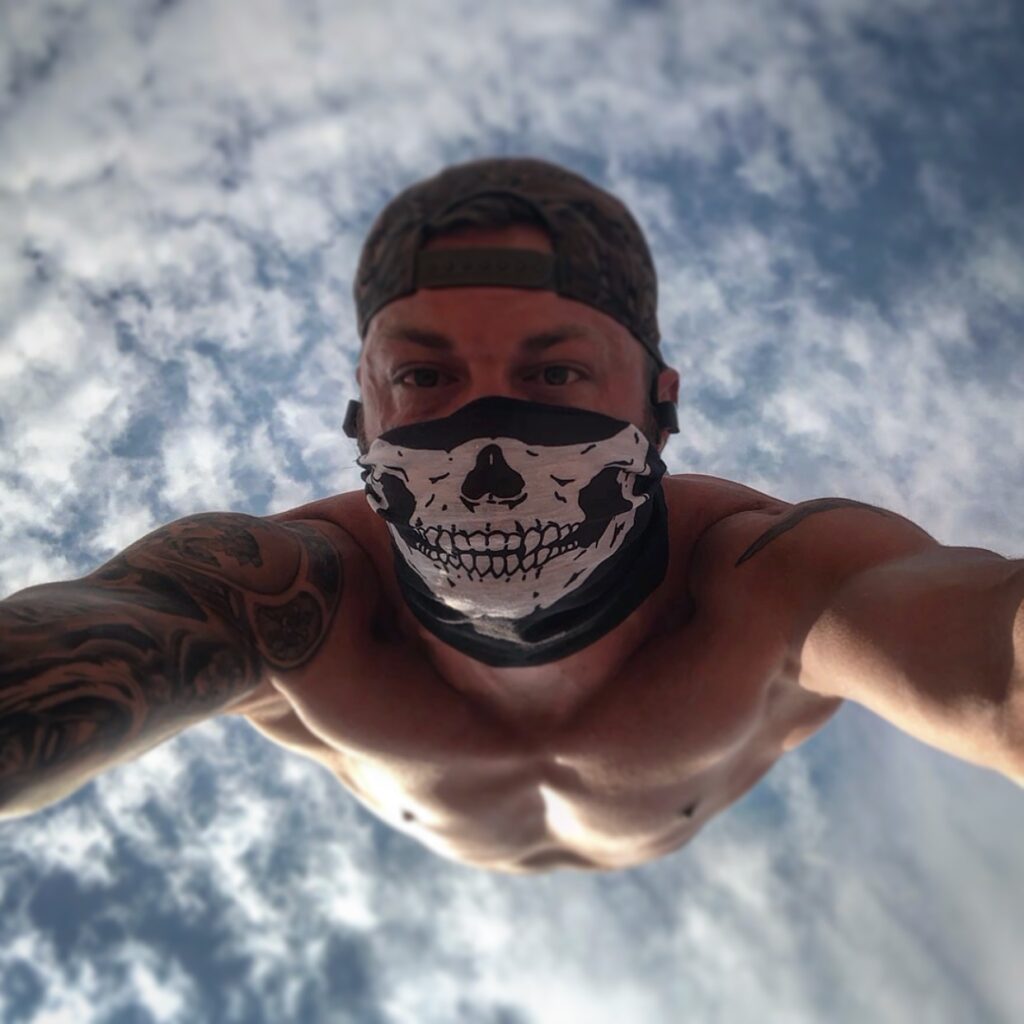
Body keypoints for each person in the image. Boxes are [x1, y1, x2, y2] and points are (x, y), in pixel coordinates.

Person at [1, 157, 1021, 873]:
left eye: (555, 373)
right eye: (424, 375)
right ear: (363, 418)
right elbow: (119, 635)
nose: (488, 457)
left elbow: (986, 660)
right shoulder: (283, 595)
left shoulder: (779, 579)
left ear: (659, 406)